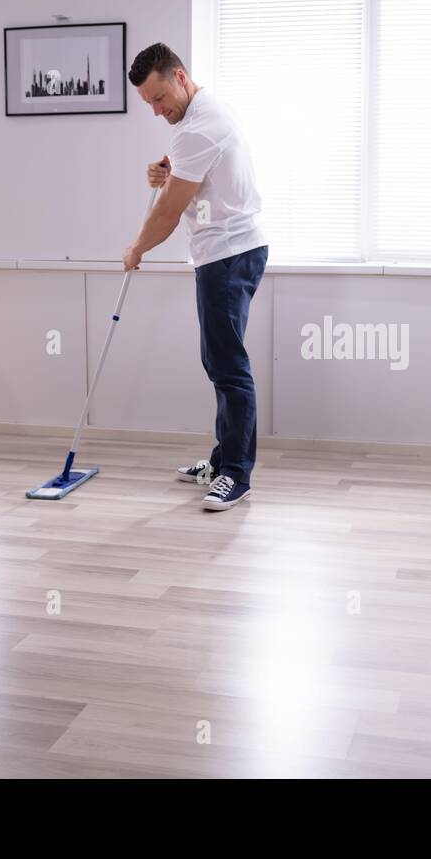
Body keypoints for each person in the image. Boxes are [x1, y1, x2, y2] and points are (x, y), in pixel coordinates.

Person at [123, 43, 268, 511]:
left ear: (180, 77)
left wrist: (136, 248)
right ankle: (223, 459)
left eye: (160, 97)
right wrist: (164, 172)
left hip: (228, 255)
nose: (156, 109)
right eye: (148, 103)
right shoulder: (197, 117)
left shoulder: (199, 127)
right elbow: (189, 177)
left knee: (227, 366)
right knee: (218, 362)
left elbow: (169, 213)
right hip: (229, 251)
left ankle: (236, 475)